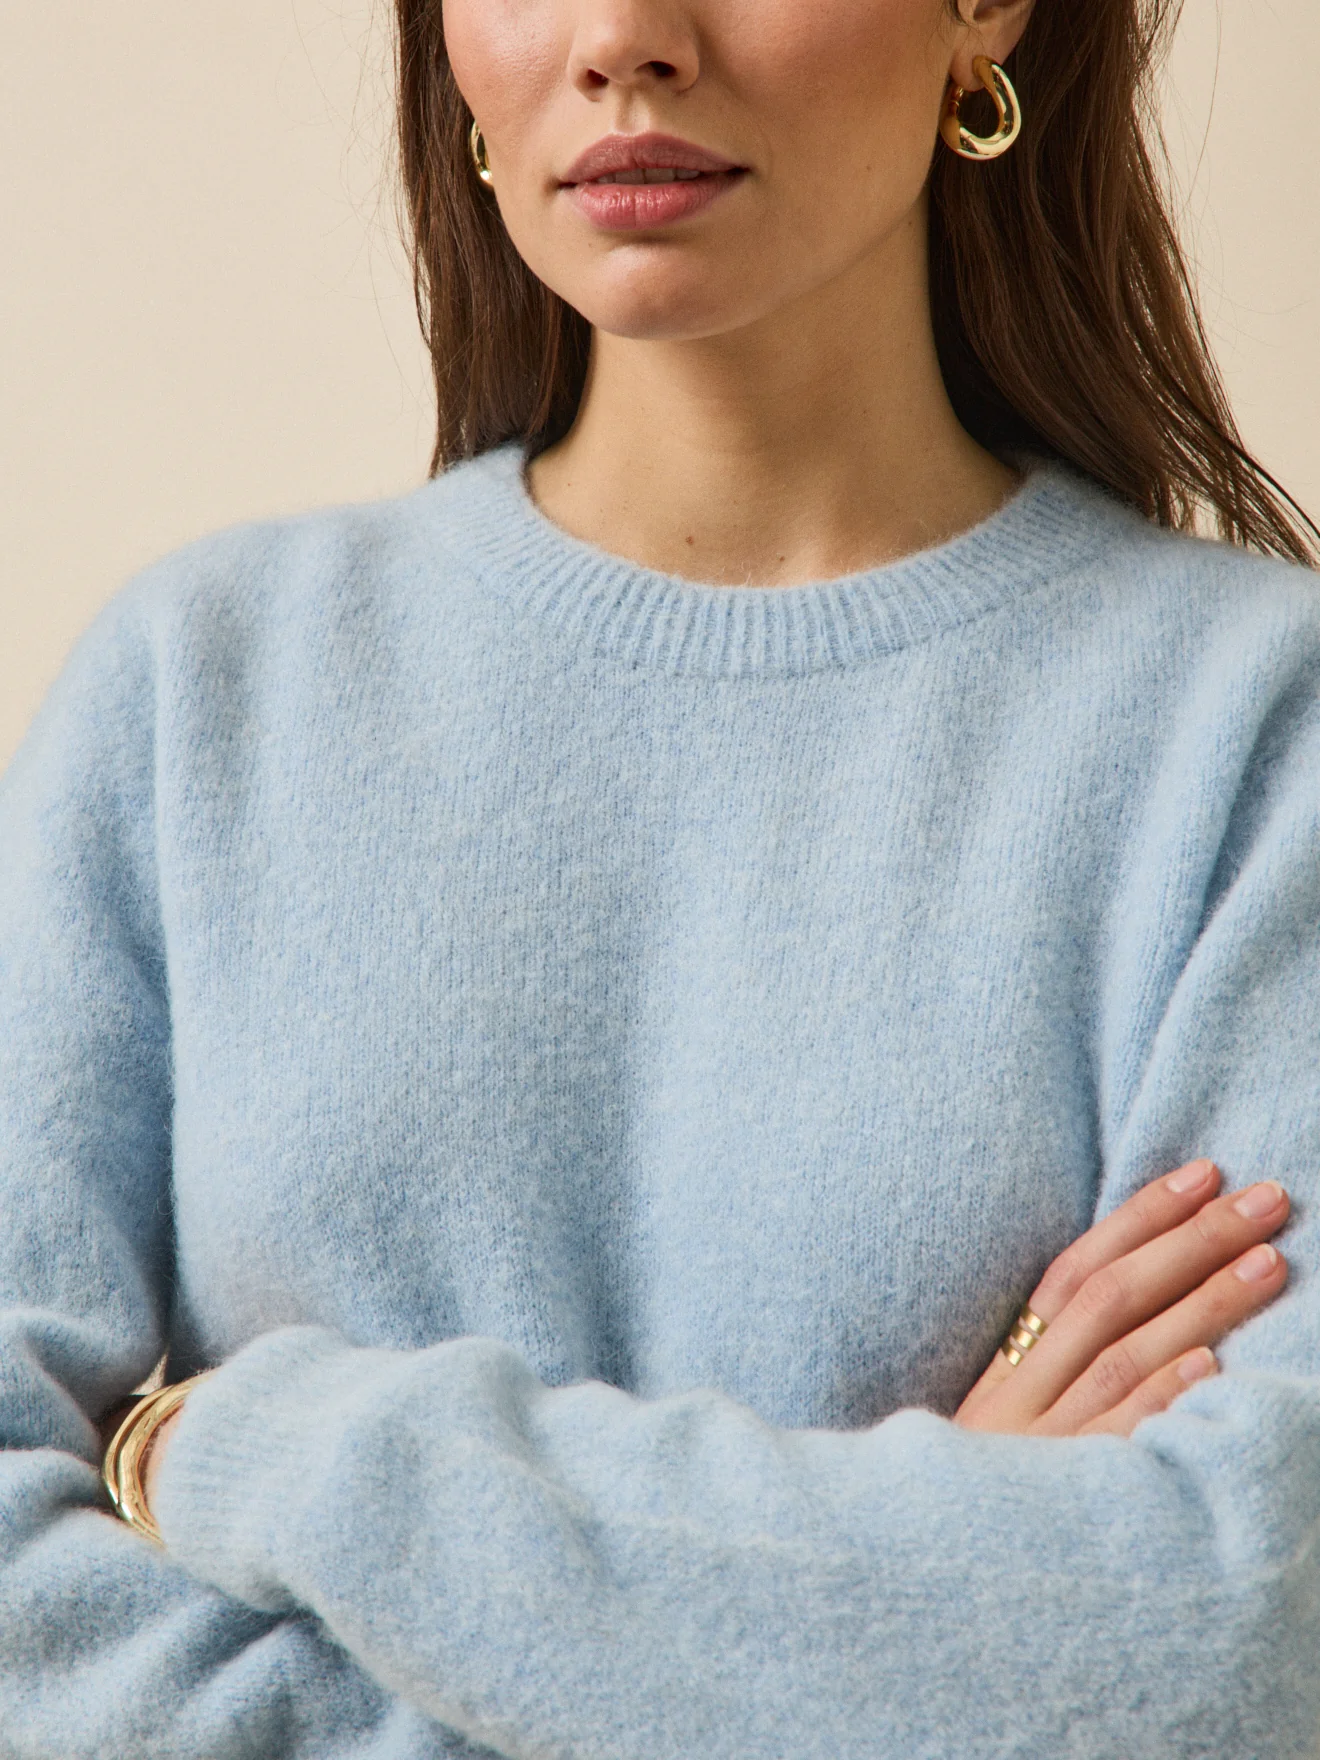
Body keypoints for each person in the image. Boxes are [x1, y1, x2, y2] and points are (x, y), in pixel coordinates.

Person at [1, 0, 1318, 1752]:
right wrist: (898, 1615)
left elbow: (1235, 1632)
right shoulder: (197, 694)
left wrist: (264, 1447)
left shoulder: (1259, 734)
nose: (625, 37)